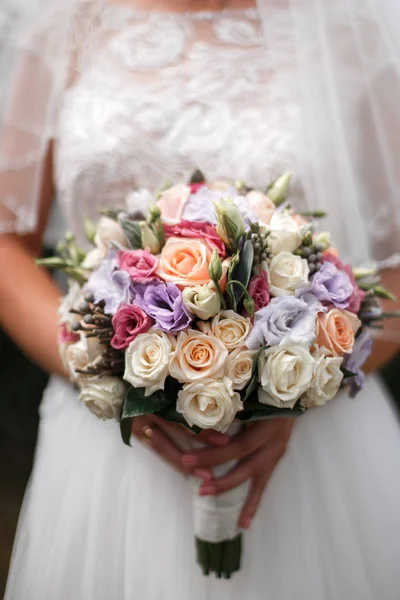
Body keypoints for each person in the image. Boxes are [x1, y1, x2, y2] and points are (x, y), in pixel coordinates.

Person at [1, 0, 400, 598]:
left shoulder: (353, 29)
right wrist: (100, 367)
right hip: (108, 445)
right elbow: (7, 238)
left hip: (311, 450)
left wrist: (308, 385)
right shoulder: (61, 19)